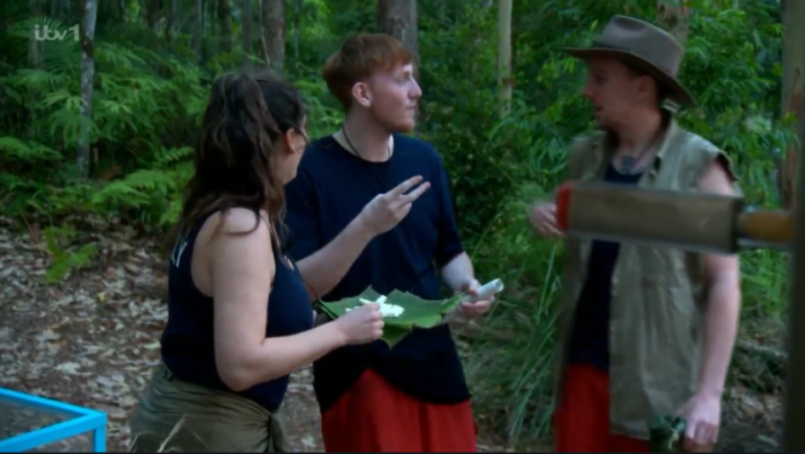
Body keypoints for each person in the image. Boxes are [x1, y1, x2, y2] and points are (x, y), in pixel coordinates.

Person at [128, 70, 431, 452]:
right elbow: (241, 365)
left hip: (211, 420)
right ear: (290, 139)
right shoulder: (241, 228)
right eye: (304, 133)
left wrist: (366, 226)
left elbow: (283, 290)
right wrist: (342, 332)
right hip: (207, 429)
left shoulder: (231, 210)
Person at [528, 16, 742, 453]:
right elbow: (562, 217)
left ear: (643, 87)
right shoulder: (585, 157)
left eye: (600, 79)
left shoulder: (701, 168)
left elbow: (725, 284)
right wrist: (543, 214)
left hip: (658, 392)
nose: (587, 90)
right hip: (582, 375)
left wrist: (709, 396)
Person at [283, 33, 496, 452]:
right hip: (361, 372)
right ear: (362, 93)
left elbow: (449, 252)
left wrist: (466, 286)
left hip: (436, 363)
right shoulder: (309, 171)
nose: (416, 91)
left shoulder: (424, 160)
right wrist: (365, 225)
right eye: (402, 80)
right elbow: (300, 285)